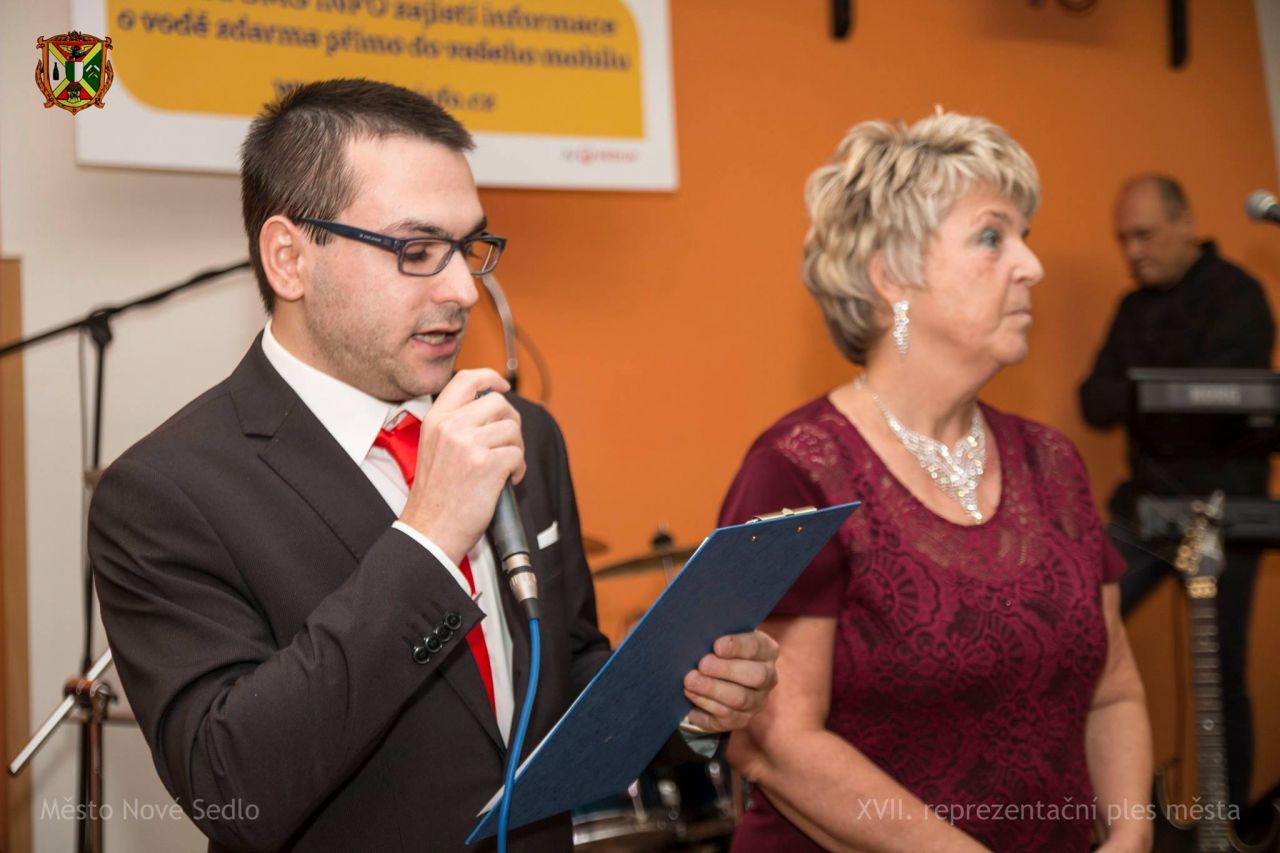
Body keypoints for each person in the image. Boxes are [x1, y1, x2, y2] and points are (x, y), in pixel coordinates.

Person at [87, 78, 778, 853]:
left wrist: (687, 705)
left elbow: (564, 671)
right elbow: (232, 788)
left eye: (467, 247)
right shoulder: (165, 492)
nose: (462, 290)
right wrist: (428, 538)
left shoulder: (521, 432)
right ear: (289, 258)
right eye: (415, 251)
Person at [717, 113, 1152, 851]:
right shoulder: (798, 467)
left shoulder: (1054, 462)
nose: (1031, 265)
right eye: (991, 237)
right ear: (892, 276)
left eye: (1025, 236)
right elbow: (777, 740)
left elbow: (1113, 691)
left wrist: (1131, 834)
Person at [1079, 174, 1274, 808]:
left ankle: (1228, 826)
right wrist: (1157, 391)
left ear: (1185, 223)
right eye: (1123, 240)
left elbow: (1225, 400)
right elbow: (1095, 401)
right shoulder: (1132, 309)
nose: (1133, 252)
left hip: (1226, 515)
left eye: (1145, 235)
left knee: (1220, 676)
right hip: (1144, 512)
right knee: (1077, 632)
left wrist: (1144, 390)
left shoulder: (1237, 295)